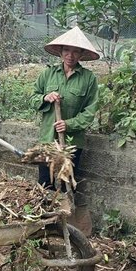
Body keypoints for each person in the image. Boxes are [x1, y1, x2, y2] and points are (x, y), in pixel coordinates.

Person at [29, 26, 99, 188]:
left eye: (75, 51)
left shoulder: (89, 79)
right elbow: (32, 98)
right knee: (45, 184)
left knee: (68, 184)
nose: (70, 55)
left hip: (72, 143)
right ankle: (47, 213)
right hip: (47, 140)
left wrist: (69, 124)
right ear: (60, 52)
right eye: (66, 50)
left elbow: (90, 112)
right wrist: (45, 98)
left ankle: (67, 212)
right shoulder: (48, 74)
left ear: (81, 54)